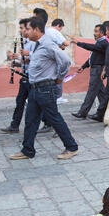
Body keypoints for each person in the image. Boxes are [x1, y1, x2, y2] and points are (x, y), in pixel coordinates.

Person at [9, 17, 78, 160]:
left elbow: (65, 61)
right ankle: (27, 150)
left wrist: (59, 78)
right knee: (30, 119)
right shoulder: (35, 44)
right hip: (35, 87)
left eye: (28, 29)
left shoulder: (47, 44)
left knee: (54, 118)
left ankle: (71, 147)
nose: (25, 32)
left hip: (46, 88)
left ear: (36, 29)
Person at [0, 18, 36, 133]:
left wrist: (19, 57)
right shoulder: (25, 42)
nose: (20, 31)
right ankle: (14, 125)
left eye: (22, 28)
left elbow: (33, 58)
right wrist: (17, 62)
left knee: (36, 104)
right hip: (25, 76)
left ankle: (49, 123)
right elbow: (25, 62)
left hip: (32, 78)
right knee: (19, 101)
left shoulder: (33, 42)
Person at [70, 24, 109, 120]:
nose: (94, 33)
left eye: (96, 31)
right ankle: (104, 112)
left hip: (98, 70)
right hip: (95, 69)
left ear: (102, 33)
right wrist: (83, 66)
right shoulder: (98, 43)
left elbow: (90, 47)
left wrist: (78, 43)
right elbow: (92, 58)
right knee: (102, 93)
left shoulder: (103, 43)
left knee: (92, 91)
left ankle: (83, 112)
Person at [33, 8, 70, 106]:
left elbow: (66, 61)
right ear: (58, 26)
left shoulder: (48, 32)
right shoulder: (52, 32)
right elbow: (66, 43)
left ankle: (57, 97)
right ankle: (57, 97)